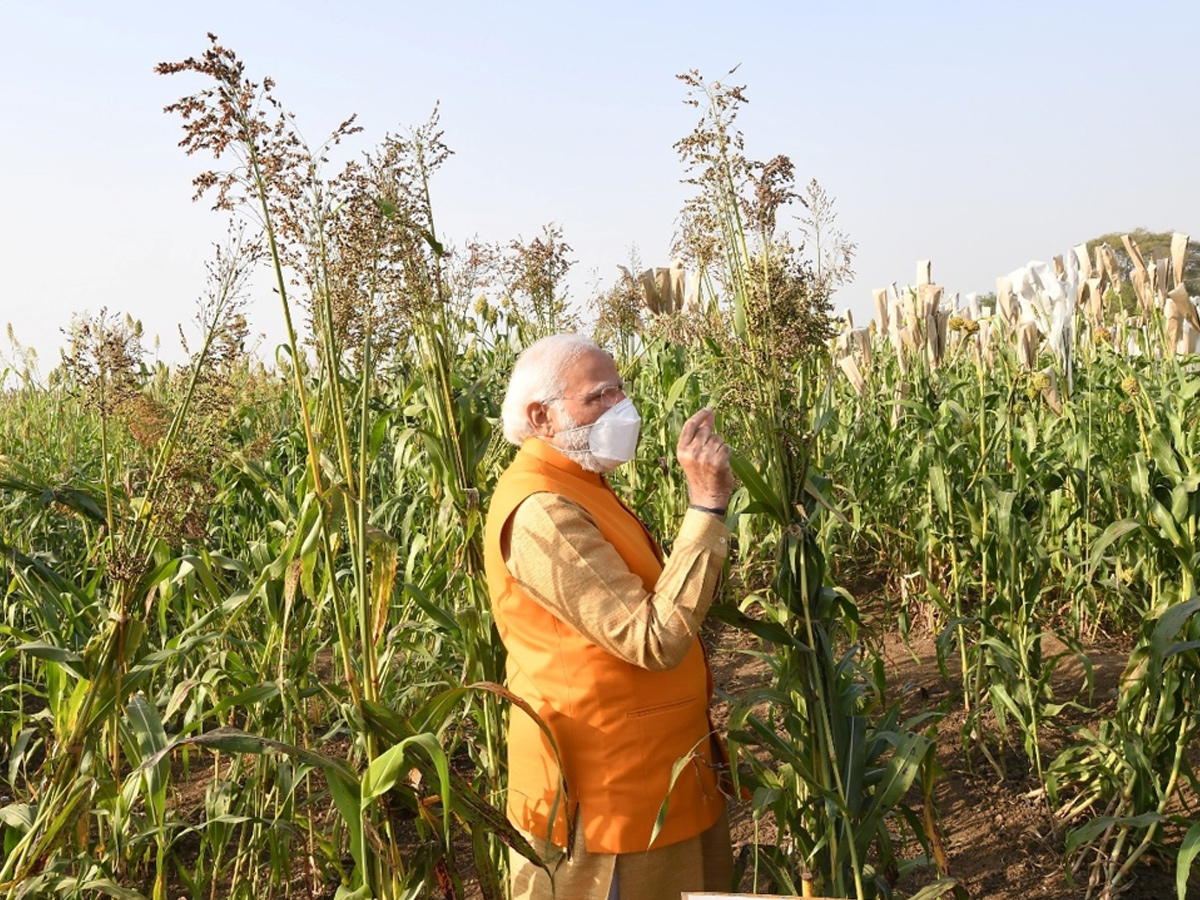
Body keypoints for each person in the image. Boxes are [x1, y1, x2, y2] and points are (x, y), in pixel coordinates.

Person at [483, 333, 736, 900]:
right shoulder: (543, 511)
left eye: (620, 391)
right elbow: (652, 637)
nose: (622, 408)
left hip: (657, 784)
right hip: (610, 806)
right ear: (541, 417)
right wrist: (706, 506)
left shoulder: (582, 487)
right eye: (600, 396)